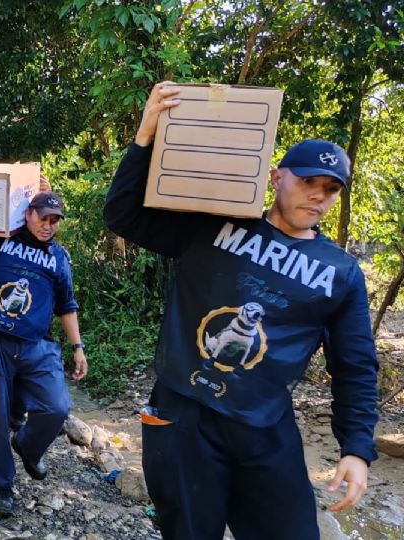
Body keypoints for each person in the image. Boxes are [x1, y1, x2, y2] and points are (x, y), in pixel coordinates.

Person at [103, 81, 379, 540]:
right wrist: (144, 138)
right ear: (275, 177)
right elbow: (123, 216)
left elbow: (355, 366)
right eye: (307, 181)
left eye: (331, 189)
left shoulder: (340, 272)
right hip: (183, 414)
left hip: (265, 428)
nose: (318, 195)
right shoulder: (213, 225)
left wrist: (357, 448)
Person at [0, 179, 87, 517]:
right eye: (44, 218)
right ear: (28, 214)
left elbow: (67, 305)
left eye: (55, 221)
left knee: (56, 408)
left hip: (38, 346)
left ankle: (26, 445)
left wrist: (77, 347)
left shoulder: (58, 258)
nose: (49, 226)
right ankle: (4, 486)